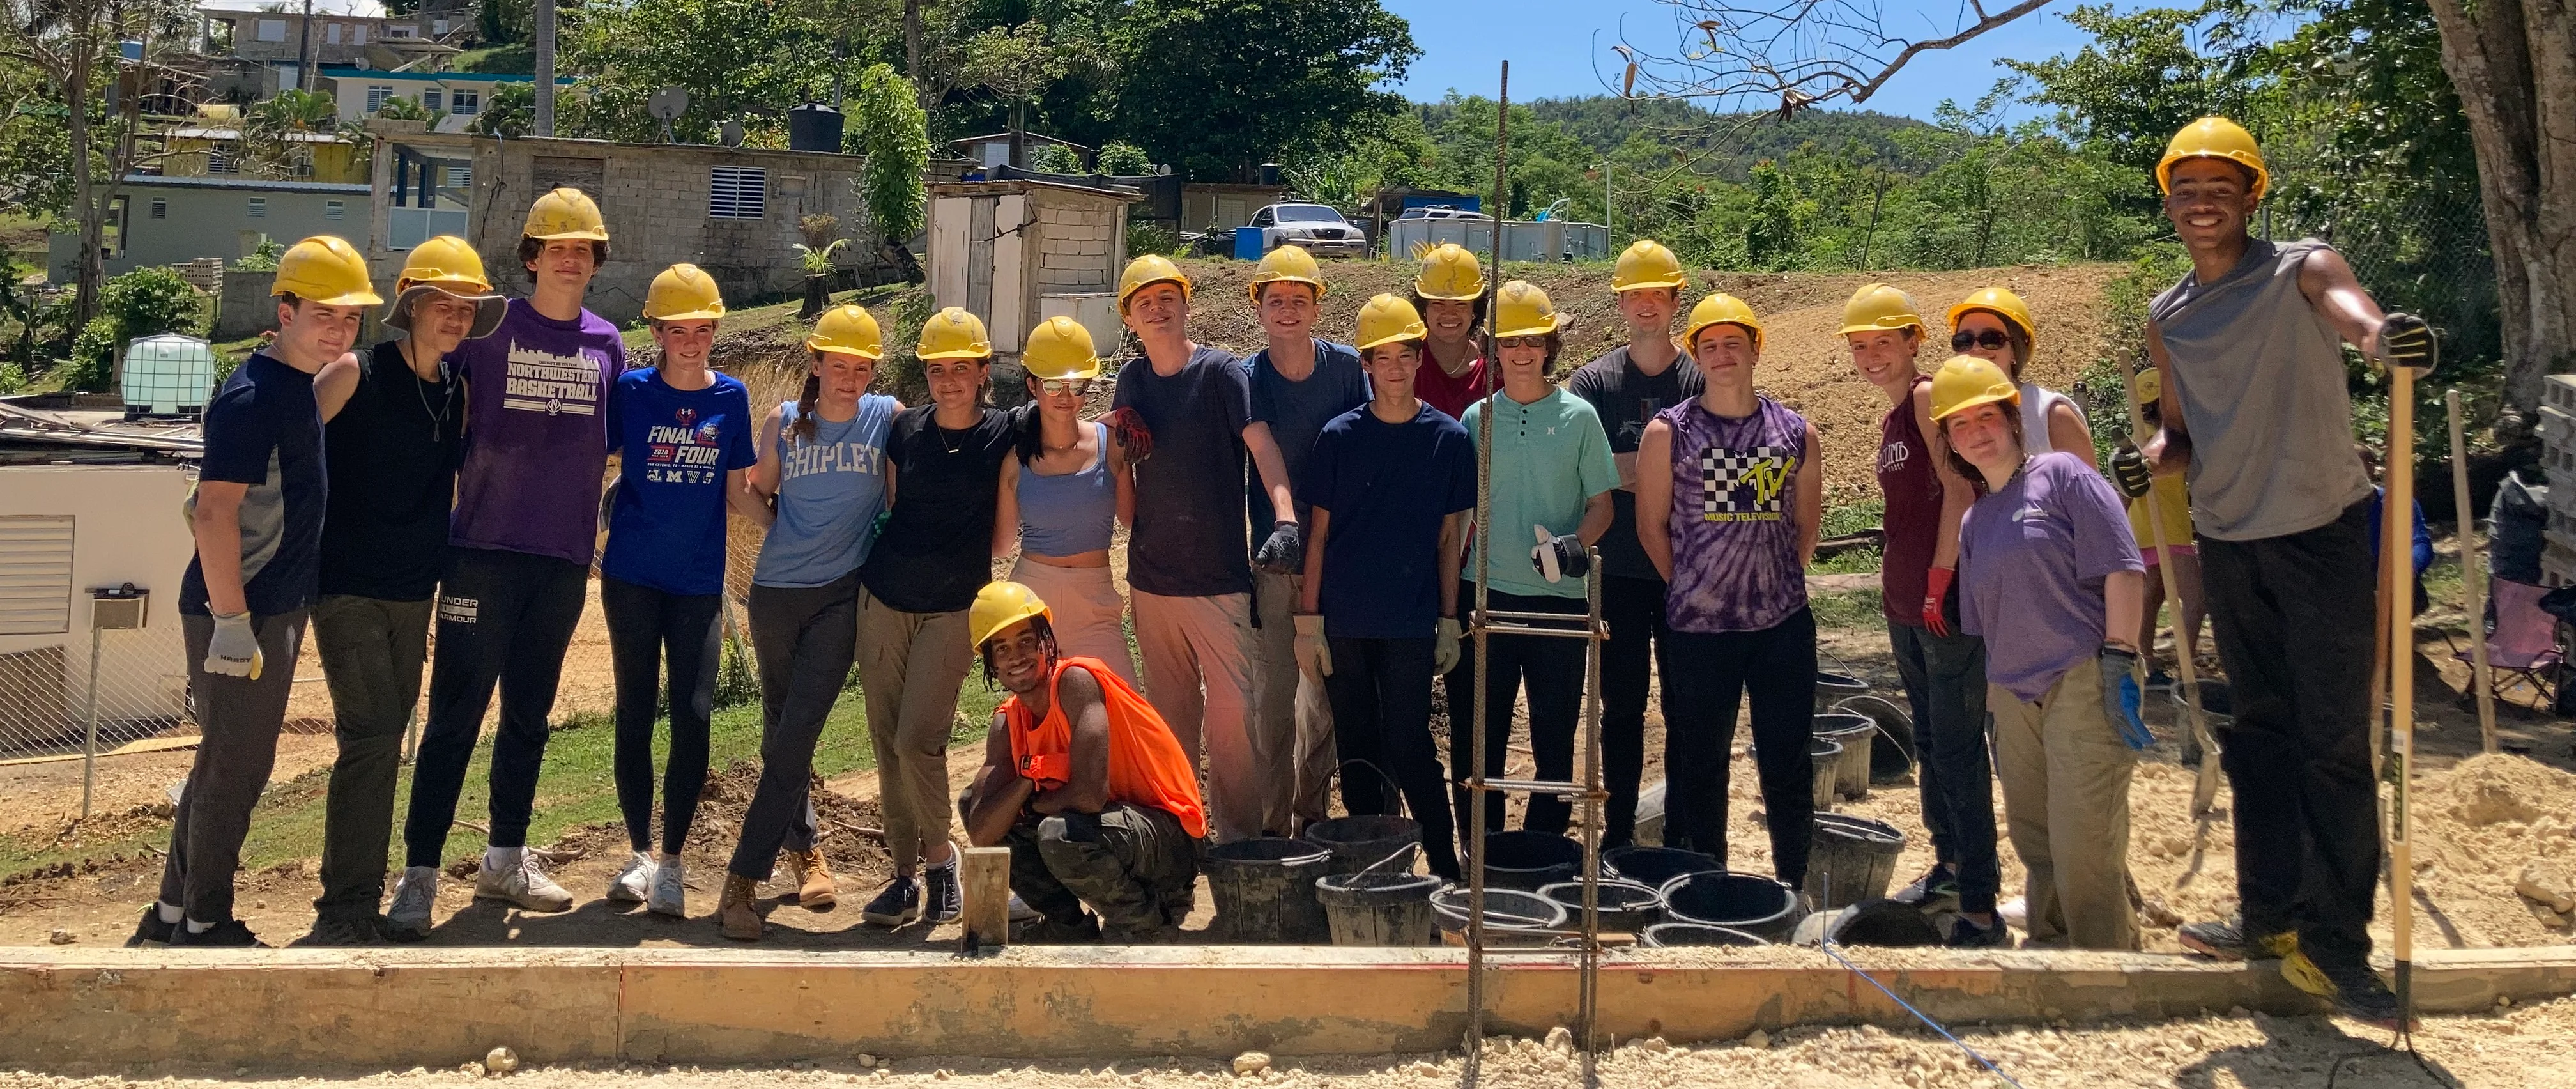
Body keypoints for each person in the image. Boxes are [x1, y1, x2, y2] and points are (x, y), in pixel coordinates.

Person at [2112, 116, 2435, 1026]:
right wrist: (2150, 458)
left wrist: (2382, 339)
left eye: (2222, 186)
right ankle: (2267, 919)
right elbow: (2180, 433)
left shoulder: (2302, 266)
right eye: (2187, 188)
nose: (2203, 201)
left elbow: (2353, 314)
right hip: (2229, 537)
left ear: (2254, 195)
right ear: (2168, 201)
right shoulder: (2170, 313)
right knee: (2258, 731)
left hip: (2321, 531)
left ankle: (2341, 946)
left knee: (2333, 740)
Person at [130, 236, 377, 948]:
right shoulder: (250, 398)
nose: (337, 329)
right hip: (243, 609)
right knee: (237, 770)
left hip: (269, 604)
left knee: (223, 761)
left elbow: (334, 390)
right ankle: (207, 921)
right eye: (323, 314)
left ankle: (172, 911)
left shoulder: (293, 388)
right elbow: (213, 511)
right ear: (285, 310)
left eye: (350, 317)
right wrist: (232, 620)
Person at [394, 187, 627, 933]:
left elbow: (612, 440)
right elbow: (427, 392)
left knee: (529, 717)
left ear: (595, 263)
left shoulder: (608, 343)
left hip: (560, 560)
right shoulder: (490, 331)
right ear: (531, 258)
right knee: (455, 718)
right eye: (556, 246)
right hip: (481, 552)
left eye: (582, 248)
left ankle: (504, 860)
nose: (569, 257)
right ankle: (420, 874)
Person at [302, 236, 497, 945]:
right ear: (410, 306)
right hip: (347, 586)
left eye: (467, 308)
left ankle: (361, 902)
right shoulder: (355, 372)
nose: (455, 318)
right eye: (442, 305)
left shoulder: (456, 387)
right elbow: (285, 453)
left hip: (418, 591)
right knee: (373, 737)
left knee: (384, 740)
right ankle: (344, 910)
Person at [1941, 355, 2150, 951]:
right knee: (2038, 840)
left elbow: (2124, 568)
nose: (1977, 432)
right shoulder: (1977, 521)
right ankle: (2056, 950)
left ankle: (2106, 967)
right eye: (1961, 425)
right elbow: (1986, 624)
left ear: (2012, 419)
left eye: (1987, 417)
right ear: (1952, 443)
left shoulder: (2064, 477)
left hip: (2083, 675)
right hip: (2014, 692)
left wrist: (2120, 657)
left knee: (2085, 841)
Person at [717, 304, 899, 941]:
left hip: (839, 599)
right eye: (837, 365)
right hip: (773, 596)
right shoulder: (786, 423)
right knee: (777, 731)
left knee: (795, 734)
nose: (848, 378)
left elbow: (903, 497)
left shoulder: (887, 419)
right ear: (815, 363)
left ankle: (741, 881)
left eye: (860, 368)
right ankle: (806, 852)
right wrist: (776, 525)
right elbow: (753, 489)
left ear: (872, 372)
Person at [1105, 255, 1300, 844]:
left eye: (1168, 298)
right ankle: (1180, 837)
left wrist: (1285, 517)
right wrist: (1117, 449)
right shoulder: (1132, 381)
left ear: (1187, 305)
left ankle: (1238, 842)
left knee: (1234, 721)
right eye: (1146, 303)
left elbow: (1261, 445)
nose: (1158, 310)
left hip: (1218, 582)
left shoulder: (1221, 373)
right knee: (1170, 724)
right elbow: (1122, 493)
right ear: (1130, 320)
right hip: (1152, 582)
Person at [1635, 293, 1822, 888]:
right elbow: (1651, 527)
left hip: (1781, 630)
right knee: (1702, 766)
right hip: (1699, 632)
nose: (1721, 356)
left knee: (1788, 764)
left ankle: (1793, 885)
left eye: (1732, 344)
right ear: (1696, 355)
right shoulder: (1671, 432)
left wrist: (1764, 589)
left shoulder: (1796, 433)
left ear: (1754, 350)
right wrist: (1696, 586)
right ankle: (1709, 887)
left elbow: (1806, 528)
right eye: (1709, 346)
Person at [1295, 295, 1476, 880]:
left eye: (1406, 356)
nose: (1395, 368)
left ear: (1419, 359)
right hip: (1346, 618)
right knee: (1357, 741)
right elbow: (1317, 537)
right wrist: (1308, 620)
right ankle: (1374, 863)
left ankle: (1445, 863)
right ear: (1366, 365)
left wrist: (1449, 618)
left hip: (1409, 619)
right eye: (1383, 357)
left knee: (1409, 739)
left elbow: (1451, 541)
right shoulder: (1340, 438)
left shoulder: (1448, 440)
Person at [598, 265, 760, 918]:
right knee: (634, 713)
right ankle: (638, 855)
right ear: (658, 332)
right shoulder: (631, 392)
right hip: (631, 578)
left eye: (701, 329)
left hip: (697, 584)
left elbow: (740, 490)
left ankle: (672, 862)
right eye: (677, 330)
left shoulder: (732, 398)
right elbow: (596, 464)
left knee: (693, 718)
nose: (691, 342)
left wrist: (797, 531)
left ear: (714, 331)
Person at [852, 306, 1015, 928]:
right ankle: (902, 879)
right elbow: (893, 506)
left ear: (982, 373)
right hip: (884, 601)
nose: (948, 380)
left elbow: (1060, 427)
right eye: (936, 368)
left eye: (960, 369)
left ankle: (942, 862)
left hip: (953, 611)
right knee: (884, 744)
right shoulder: (905, 430)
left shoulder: (1003, 432)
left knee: (917, 741)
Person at [1845, 281, 1998, 936]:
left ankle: (1977, 895)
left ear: (1914, 341)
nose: (1873, 354)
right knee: (1933, 743)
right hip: (1907, 602)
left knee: (1959, 748)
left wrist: (1940, 580)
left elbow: (1962, 491)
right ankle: (1949, 867)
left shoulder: (1929, 397)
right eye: (1861, 345)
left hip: (1944, 602)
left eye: (1885, 341)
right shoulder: (1891, 415)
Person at [1452, 281, 1618, 840]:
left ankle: (1545, 847)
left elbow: (1602, 505)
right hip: (1487, 596)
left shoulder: (1579, 418)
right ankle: (1485, 850)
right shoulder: (1477, 420)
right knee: (1482, 738)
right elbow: (1456, 514)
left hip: (1559, 602)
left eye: (1533, 340)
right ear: (1493, 347)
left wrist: (1574, 546)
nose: (1522, 352)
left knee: (1554, 733)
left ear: (1550, 345)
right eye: (1510, 341)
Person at [960, 582, 1208, 943]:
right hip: (1115, 831)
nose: (1017, 656)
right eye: (1003, 648)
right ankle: (1068, 925)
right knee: (975, 804)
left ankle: (1144, 925)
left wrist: (1032, 796)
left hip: (1169, 839)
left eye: (1027, 641)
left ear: (1048, 641)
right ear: (993, 664)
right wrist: (1029, 780)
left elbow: (1090, 796)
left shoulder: (1076, 682)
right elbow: (982, 831)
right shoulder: (1006, 723)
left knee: (1056, 832)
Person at [1565, 240, 1702, 849]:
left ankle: (1682, 834)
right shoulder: (1594, 382)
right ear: (1620, 301)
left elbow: (1712, 465)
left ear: (1676, 300)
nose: (1647, 305)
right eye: (1636, 294)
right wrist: (1667, 461)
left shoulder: (1700, 375)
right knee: (1620, 709)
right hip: (1616, 569)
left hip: (1687, 569)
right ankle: (1616, 835)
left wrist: (1627, 465)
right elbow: (1586, 471)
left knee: (1686, 709)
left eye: (1658, 294)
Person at [1237, 245, 1370, 836]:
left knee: (1321, 698)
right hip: (1274, 557)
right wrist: (1285, 527)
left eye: (1299, 300)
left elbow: (1361, 450)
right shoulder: (1249, 377)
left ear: (1317, 309)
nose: (1287, 310)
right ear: (1259, 311)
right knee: (1273, 699)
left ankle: (1311, 816)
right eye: (1276, 301)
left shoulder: (1346, 370)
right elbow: (1260, 452)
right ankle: (1273, 828)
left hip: (1337, 558)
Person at [995, 316, 1138, 685]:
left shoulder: (1112, 447)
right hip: (1034, 599)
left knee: (1123, 706)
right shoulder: (1015, 459)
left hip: (1096, 600)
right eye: (1054, 384)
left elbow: (1130, 520)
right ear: (1032, 385)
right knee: (1044, 720)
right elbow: (1001, 545)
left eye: (1077, 386)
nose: (1065, 396)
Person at [1947, 287, 2094, 460]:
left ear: (2015, 351)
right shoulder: (1950, 414)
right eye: (1964, 341)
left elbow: (2088, 484)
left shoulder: (2053, 414)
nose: (1977, 349)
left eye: (1992, 339)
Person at [2126, 369, 2203, 690]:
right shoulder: (2154, 440)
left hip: (2153, 530)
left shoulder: (2156, 435)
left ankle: (2147, 665)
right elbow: (2127, 486)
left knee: (2152, 597)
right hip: (2165, 532)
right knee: (2197, 600)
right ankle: (2185, 670)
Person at [1408, 243, 1492, 421]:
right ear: (1424, 308)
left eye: (1461, 304)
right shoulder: (1404, 367)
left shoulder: (1495, 372)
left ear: (1475, 309)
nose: (1449, 314)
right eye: (1438, 303)